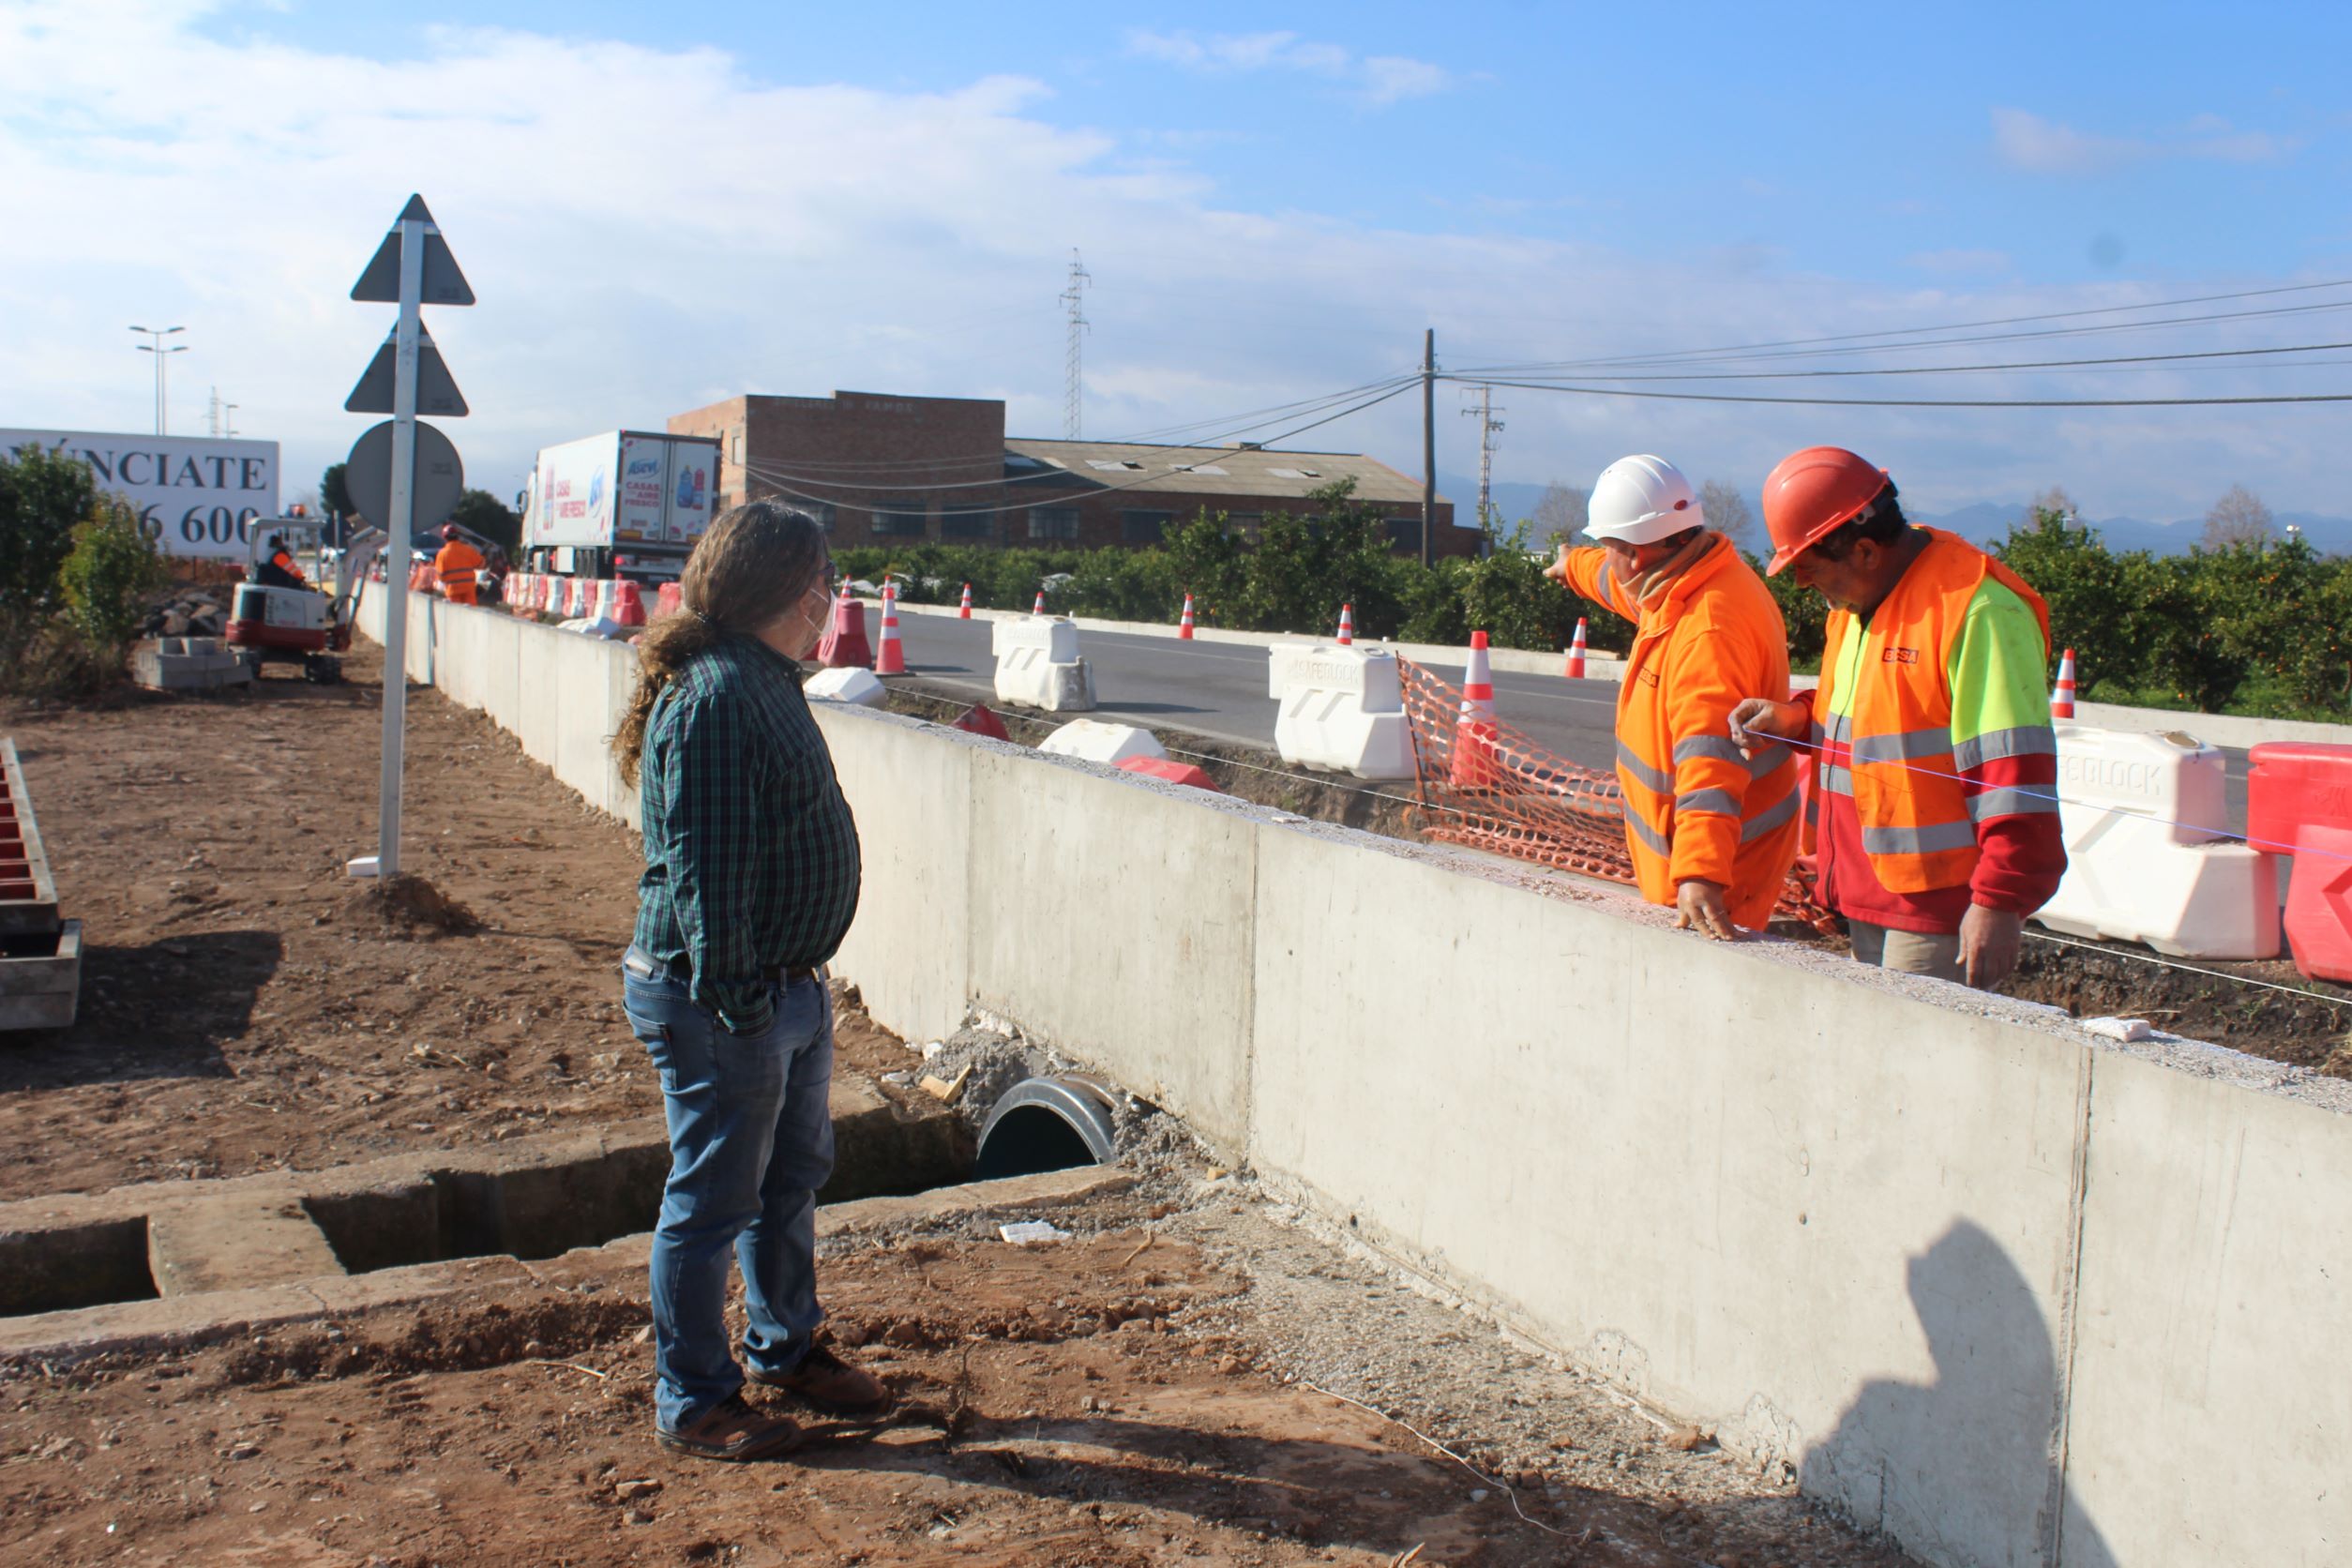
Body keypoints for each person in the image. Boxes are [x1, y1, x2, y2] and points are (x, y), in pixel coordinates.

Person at [610, 501, 882, 1462]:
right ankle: (693, 1398)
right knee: (716, 1200)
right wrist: (744, 1004)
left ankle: (786, 1347)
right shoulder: (719, 699)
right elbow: (704, 878)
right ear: (782, 588)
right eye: (821, 579)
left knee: (786, 1183)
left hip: (780, 990)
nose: (829, 599)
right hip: (726, 997)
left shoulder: (760, 679)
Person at [1727, 446, 2065, 989]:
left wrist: (1999, 901)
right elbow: (1869, 722)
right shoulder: (1860, 605)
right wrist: (1793, 720)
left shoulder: (1977, 611)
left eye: (1812, 573)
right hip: (1867, 894)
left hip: (1937, 909)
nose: (1810, 591)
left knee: (1919, 1065)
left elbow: (2013, 775)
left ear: (1863, 550)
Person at [1544, 455, 1803, 937]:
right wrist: (1572, 565)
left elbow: (1712, 759)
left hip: (1724, 873)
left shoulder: (1708, 630)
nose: (1605, 557)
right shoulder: (1684, 581)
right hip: (1701, 852)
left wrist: (1700, 874)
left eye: (1607, 546)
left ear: (1637, 553)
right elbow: (1614, 582)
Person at [433, 525, 485, 606]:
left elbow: (440, 576)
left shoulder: (442, 554)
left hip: (453, 590)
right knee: (470, 614)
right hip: (468, 589)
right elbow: (481, 564)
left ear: (444, 537)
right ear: (458, 536)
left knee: (455, 614)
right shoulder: (467, 549)